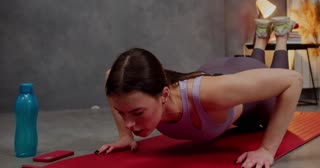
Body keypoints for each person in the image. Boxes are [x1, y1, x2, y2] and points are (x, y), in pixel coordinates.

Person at [97, 14, 303, 168]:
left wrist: (267, 150)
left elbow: (293, 81)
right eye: (122, 113)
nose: (129, 124)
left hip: (233, 80)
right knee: (244, 89)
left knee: (269, 88)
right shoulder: (136, 91)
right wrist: (125, 136)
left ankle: (281, 36)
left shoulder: (209, 95)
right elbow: (110, 75)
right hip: (221, 72)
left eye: (138, 113)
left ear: (165, 95)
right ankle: (260, 37)